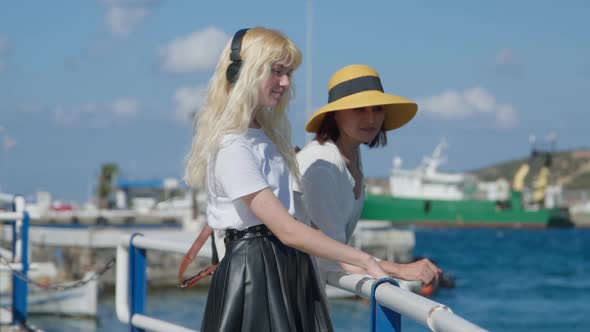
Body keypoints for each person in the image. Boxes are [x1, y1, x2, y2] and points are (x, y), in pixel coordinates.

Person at [184, 28, 388, 332]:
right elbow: (287, 229)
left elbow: (295, 220)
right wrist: (361, 258)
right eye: (276, 72)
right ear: (244, 72)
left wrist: (361, 262)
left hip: (280, 268)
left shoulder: (264, 137)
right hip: (256, 273)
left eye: (289, 73)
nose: (285, 83)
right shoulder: (233, 146)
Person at [295, 64, 442, 288]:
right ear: (335, 114)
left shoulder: (351, 155)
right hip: (290, 288)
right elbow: (335, 253)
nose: (371, 118)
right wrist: (402, 269)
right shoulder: (322, 167)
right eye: (359, 109)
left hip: (308, 284)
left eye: (377, 109)